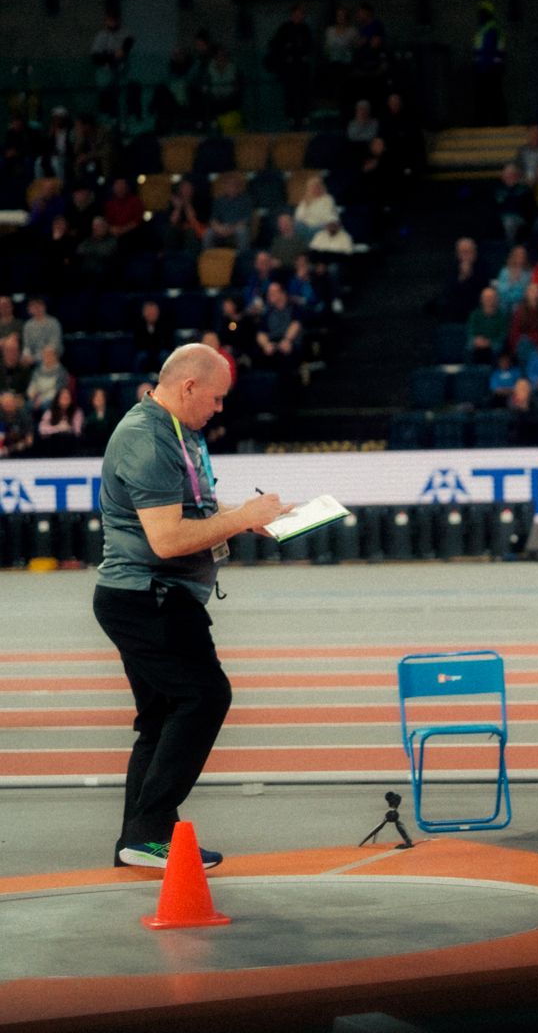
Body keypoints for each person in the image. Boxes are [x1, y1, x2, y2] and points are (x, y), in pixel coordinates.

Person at [93, 345, 291, 868]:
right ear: (187, 388)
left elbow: (196, 510)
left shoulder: (179, 433)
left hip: (146, 596)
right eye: (217, 398)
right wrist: (241, 515)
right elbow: (167, 538)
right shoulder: (147, 438)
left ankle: (137, 841)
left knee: (159, 718)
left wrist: (247, 518)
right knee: (205, 697)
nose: (220, 409)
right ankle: (149, 829)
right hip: (149, 596)